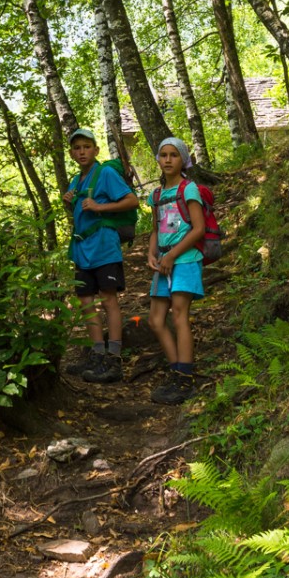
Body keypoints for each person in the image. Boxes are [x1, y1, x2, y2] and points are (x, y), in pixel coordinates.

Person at [63, 128, 138, 383]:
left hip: (104, 246)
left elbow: (132, 201)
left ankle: (113, 358)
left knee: (108, 299)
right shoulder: (76, 180)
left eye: (86, 146)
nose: (82, 151)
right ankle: (96, 353)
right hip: (82, 250)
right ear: (72, 153)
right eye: (77, 148)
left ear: (95, 150)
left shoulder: (105, 172)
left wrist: (100, 206)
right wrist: (68, 200)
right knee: (85, 301)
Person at [146, 137, 207, 405]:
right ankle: (176, 371)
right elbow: (156, 228)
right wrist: (152, 252)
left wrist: (171, 254)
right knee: (156, 320)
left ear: (183, 160)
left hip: (185, 259)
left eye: (174, 155)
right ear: (158, 159)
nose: (168, 159)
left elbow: (198, 229)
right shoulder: (156, 195)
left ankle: (185, 377)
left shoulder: (189, 189)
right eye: (163, 155)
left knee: (180, 315)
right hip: (163, 262)